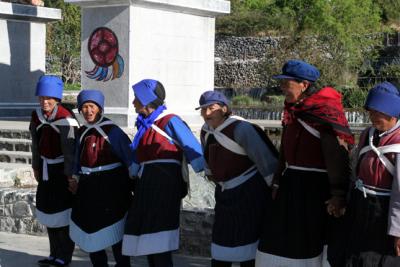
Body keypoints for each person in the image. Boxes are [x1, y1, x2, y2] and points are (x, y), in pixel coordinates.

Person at [255, 60, 354, 267]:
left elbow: (338, 156)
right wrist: (277, 180)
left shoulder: (325, 113)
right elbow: (285, 149)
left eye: (286, 83)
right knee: (281, 240)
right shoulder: (294, 109)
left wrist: (338, 195)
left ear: (304, 85)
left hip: (315, 189)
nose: (282, 87)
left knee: (307, 241)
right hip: (291, 185)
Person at [122, 79, 205, 267]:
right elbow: (138, 156)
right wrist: (132, 173)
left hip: (164, 184)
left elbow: (191, 146)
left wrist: (207, 170)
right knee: (147, 236)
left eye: (136, 98)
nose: (133, 102)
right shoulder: (144, 126)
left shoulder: (169, 121)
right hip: (146, 186)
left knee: (159, 234)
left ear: (146, 100)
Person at [198, 90, 279, 267]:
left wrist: (273, 192)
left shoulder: (241, 129)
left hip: (249, 194)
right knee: (221, 244)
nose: (206, 113)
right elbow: (208, 163)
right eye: (203, 110)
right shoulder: (205, 132)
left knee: (248, 245)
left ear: (224, 108)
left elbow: (265, 160)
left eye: (211, 108)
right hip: (225, 195)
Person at [69, 89, 133, 267]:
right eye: (85, 107)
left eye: (92, 107)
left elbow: (129, 158)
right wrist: (75, 178)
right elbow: (77, 158)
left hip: (111, 189)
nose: (88, 111)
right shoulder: (82, 132)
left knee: (115, 231)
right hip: (88, 190)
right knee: (91, 231)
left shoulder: (113, 132)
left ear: (100, 108)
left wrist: (133, 181)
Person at [344, 82, 400, 267]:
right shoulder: (367, 134)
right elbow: (356, 168)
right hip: (361, 206)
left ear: (392, 113)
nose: (372, 117)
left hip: (384, 212)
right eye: (370, 112)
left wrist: (398, 231)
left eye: (378, 113)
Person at [29, 75, 78, 267]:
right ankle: (53, 253)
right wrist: (35, 166)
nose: (44, 101)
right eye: (41, 97)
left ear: (57, 99)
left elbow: (70, 152)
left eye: (49, 98)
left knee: (63, 215)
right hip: (45, 169)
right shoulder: (36, 115)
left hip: (62, 172)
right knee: (49, 212)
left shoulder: (66, 118)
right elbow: (35, 143)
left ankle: (64, 256)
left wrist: (71, 177)